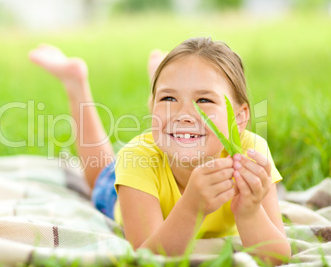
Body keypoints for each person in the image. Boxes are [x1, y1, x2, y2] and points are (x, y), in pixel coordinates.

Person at [29, 37, 291, 264]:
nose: (184, 114)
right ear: (152, 108)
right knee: (99, 173)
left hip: (166, 150)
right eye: (168, 99)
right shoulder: (136, 158)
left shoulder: (250, 152)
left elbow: (276, 256)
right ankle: (76, 84)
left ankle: (163, 77)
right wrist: (192, 208)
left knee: (176, 98)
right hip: (130, 189)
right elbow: (147, 257)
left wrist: (249, 210)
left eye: (204, 100)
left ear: (240, 118)